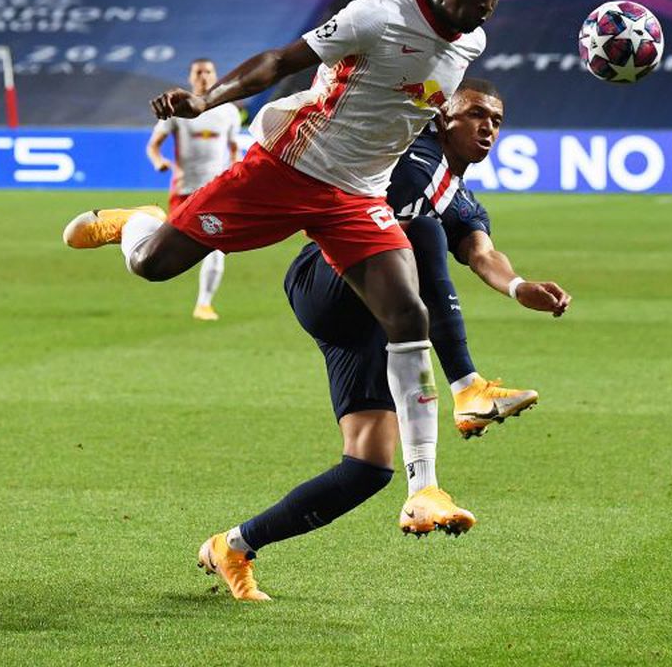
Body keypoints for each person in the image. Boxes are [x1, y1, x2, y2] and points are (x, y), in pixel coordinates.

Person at [61, 0, 506, 582]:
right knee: (153, 264)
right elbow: (279, 60)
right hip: (286, 168)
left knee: (407, 314)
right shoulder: (379, 13)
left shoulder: (472, 43)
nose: (487, 6)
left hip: (354, 197)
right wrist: (209, 101)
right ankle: (137, 223)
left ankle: (425, 488)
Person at [195, 80, 571, 601]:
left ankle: (233, 546)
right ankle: (468, 387)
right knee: (422, 229)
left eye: (497, 120)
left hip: (375, 322)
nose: (488, 127)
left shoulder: (458, 198)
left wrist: (517, 286)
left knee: (367, 467)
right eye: (476, 115)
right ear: (443, 119)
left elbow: (483, 252)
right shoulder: (411, 153)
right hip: (324, 280)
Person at [145, 58, 241, 320]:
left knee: (215, 245)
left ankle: (204, 304)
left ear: (215, 74)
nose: (204, 77)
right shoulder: (177, 110)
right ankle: (136, 224)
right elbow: (153, 145)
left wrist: (235, 173)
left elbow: (234, 149)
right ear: (190, 77)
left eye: (208, 71)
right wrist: (159, 162)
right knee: (162, 245)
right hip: (184, 189)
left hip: (214, 191)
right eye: (198, 72)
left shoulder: (229, 112)